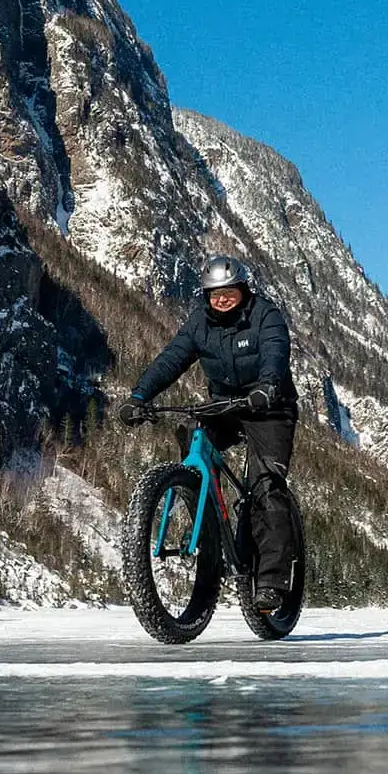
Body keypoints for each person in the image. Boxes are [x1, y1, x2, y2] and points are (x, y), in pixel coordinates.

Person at [121, 256, 301, 615]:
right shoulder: (198, 324)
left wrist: (267, 386)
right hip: (224, 405)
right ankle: (201, 502)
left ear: (243, 290)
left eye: (228, 292)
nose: (221, 300)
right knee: (191, 435)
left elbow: (276, 354)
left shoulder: (266, 315)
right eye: (214, 294)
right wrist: (140, 395)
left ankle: (271, 581)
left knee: (266, 484)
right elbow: (172, 359)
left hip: (269, 406)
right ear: (206, 296)